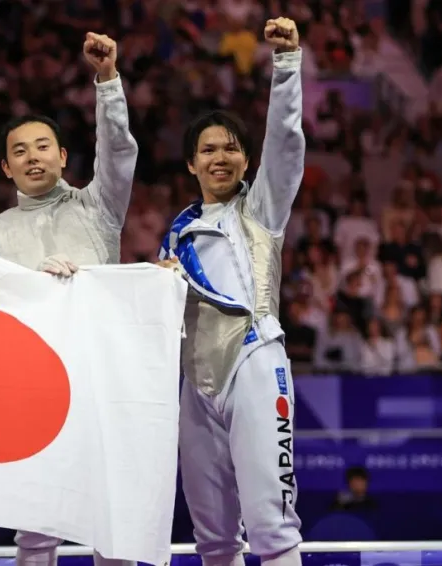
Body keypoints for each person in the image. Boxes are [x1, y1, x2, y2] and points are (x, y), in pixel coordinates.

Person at [156, 18, 306, 566]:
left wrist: (286, 67)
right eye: (208, 149)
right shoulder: (175, 234)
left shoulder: (262, 209)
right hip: (195, 385)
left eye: (231, 148)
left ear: (245, 160)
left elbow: (286, 146)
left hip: (254, 361)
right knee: (213, 539)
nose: (220, 157)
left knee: (271, 526)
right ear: (191, 163)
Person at [0, 31, 138, 566]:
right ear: (6, 169)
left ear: (63, 155)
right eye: (19, 152)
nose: (32, 158)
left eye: (42, 146)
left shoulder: (99, 207)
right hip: (33, 384)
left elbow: (118, 151)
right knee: (36, 523)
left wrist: (107, 81)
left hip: (101, 377)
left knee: (111, 518)